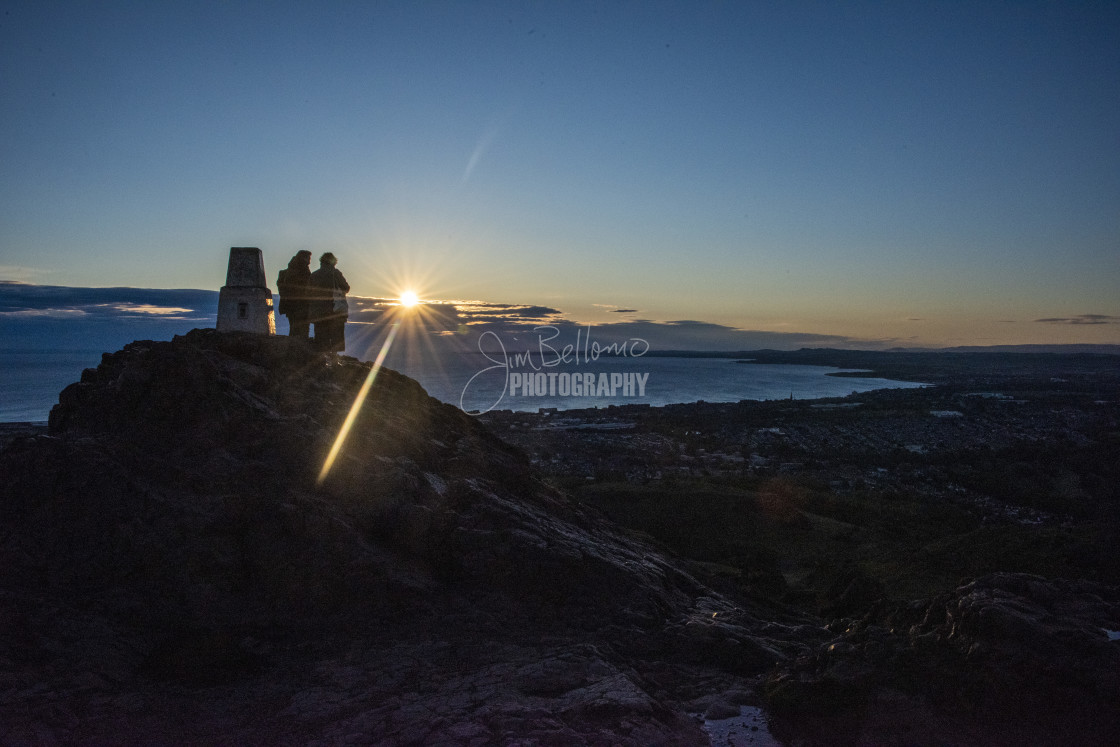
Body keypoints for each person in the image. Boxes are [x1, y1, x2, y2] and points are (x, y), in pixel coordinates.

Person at [309, 252, 350, 352]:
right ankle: (334, 360)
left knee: (321, 337)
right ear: (333, 262)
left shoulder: (314, 275)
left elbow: (308, 292)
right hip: (335, 310)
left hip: (318, 312)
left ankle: (322, 360)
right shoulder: (335, 273)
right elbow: (346, 288)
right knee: (335, 336)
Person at [276, 250, 312, 339]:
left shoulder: (285, 273)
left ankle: (292, 349)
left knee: (293, 329)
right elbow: (308, 289)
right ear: (304, 258)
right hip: (301, 306)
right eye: (308, 258)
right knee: (302, 331)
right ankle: (299, 350)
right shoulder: (304, 272)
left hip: (290, 306)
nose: (310, 260)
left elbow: (282, 289)